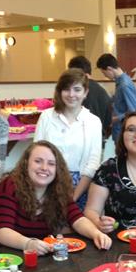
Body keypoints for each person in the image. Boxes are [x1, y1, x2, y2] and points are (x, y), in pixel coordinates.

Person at [0, 141, 112, 255]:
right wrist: (29, 244)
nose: (44, 168)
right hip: (0, 257)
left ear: (57, 169)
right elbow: (3, 233)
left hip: (37, 256)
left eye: (51, 164)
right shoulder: (9, 186)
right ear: (26, 164)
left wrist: (96, 234)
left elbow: (78, 219)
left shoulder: (59, 190)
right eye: (38, 161)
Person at [34, 68, 103, 209]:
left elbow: (93, 164)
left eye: (77, 89)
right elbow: (36, 154)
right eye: (66, 89)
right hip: (46, 182)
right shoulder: (46, 117)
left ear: (85, 92)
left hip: (81, 186)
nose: (71, 95)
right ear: (60, 91)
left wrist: (73, 198)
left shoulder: (93, 121)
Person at [96, 53, 136, 143]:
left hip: (123, 132)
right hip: (119, 131)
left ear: (109, 69)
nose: (105, 76)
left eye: (104, 73)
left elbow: (134, 111)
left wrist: (114, 119)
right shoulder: (120, 82)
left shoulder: (124, 85)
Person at [67, 56, 112, 139]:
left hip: (80, 138)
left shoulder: (77, 94)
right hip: (99, 139)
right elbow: (108, 120)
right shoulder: (103, 91)